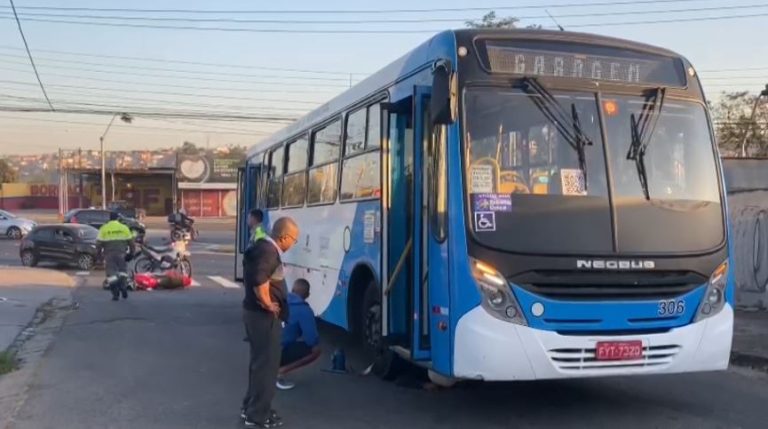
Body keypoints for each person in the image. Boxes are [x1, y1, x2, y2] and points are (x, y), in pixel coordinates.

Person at [241, 217, 299, 428]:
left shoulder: (262, 247)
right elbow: (259, 278)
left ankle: (253, 406)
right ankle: (257, 415)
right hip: (263, 317)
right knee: (267, 366)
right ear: (284, 237)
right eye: (294, 239)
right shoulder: (268, 251)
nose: (293, 243)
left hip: (255, 315)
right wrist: (268, 303)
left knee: (259, 364)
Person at [276, 279, 322, 391]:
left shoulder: (279, 301)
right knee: (316, 349)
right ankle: (279, 372)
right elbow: (311, 340)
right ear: (307, 295)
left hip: (261, 351)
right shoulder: (304, 310)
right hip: (276, 352)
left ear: (292, 290)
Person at [97, 212, 135, 301]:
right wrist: (131, 254)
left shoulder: (104, 228)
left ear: (109, 219)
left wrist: (99, 256)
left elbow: (98, 244)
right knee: (123, 272)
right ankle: (123, 287)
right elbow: (131, 243)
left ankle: (115, 294)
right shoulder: (124, 228)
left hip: (109, 254)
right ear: (118, 219)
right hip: (121, 253)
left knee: (111, 275)